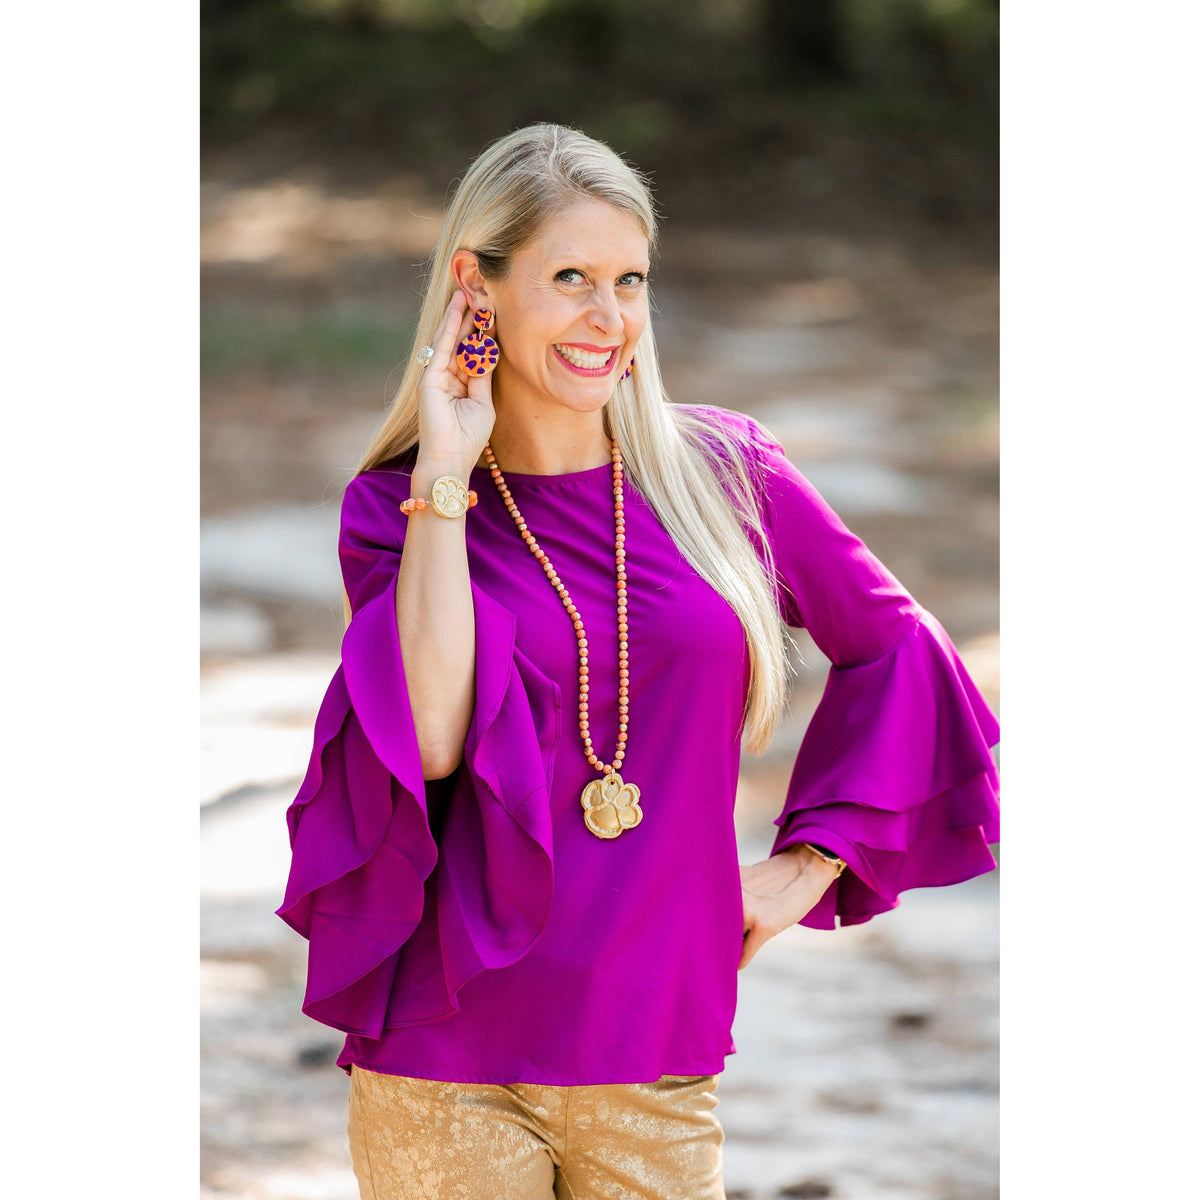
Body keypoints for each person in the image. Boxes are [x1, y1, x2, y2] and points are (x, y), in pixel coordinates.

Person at [276, 122, 999, 1200]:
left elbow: (900, 646)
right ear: (478, 286)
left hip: (657, 1043)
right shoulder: (400, 509)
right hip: (446, 1056)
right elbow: (425, 741)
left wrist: (810, 864)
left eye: (631, 280)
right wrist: (446, 470)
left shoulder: (722, 474)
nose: (608, 320)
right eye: (570, 278)